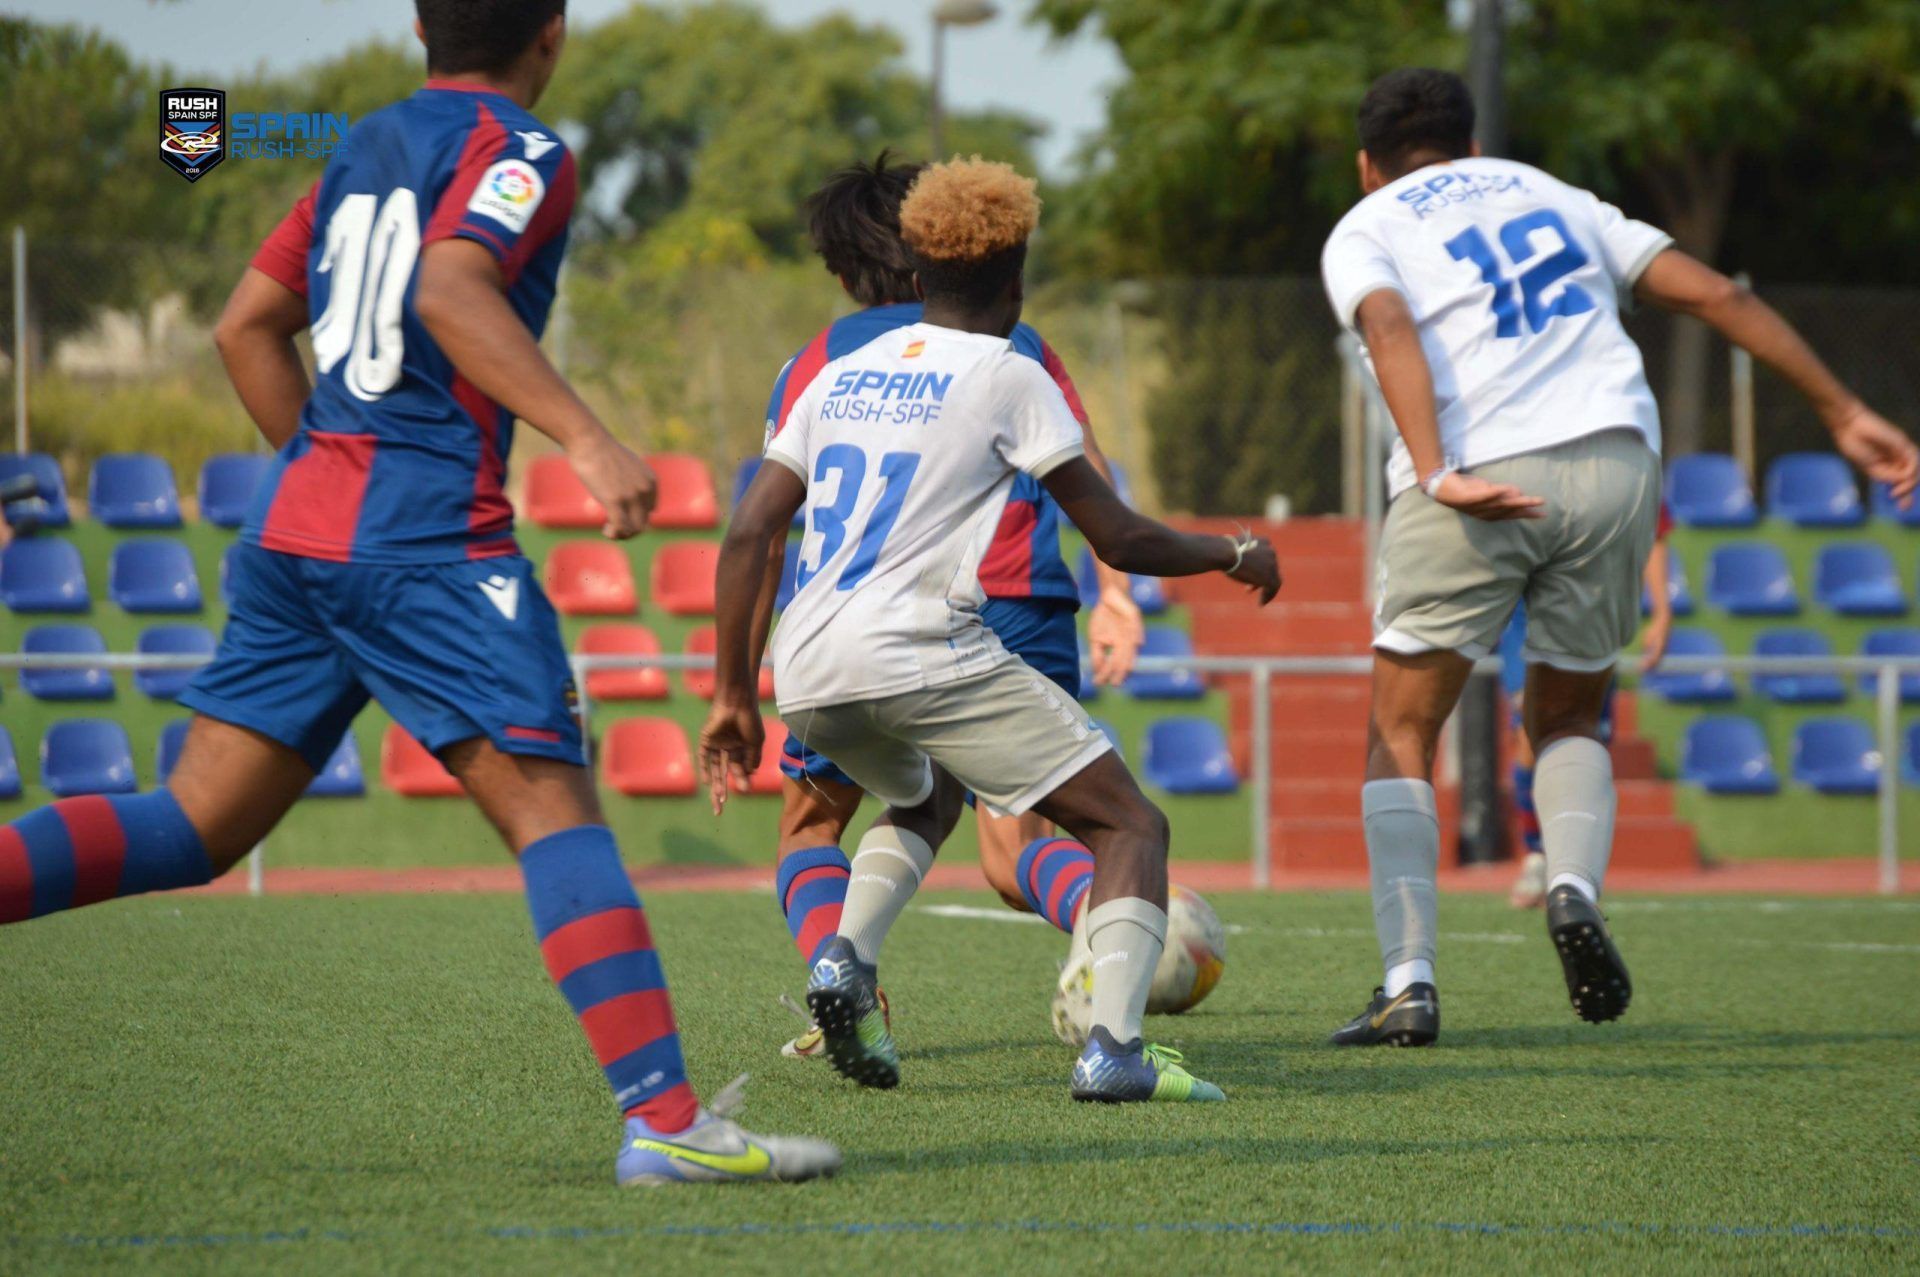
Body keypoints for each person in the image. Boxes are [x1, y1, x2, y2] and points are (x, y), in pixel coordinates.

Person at [0, 0, 838, 1186]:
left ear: (415, 27)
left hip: (302, 537)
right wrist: (588, 439)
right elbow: (451, 287)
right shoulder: (524, 148)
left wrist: (330, 480)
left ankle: (667, 1121)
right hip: (430, 541)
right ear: (551, 34)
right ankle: (666, 1122)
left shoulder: (361, 144)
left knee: (192, 823)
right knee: (555, 814)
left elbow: (246, 326)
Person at [1321, 68, 1919, 1045]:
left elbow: (1388, 326)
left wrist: (1435, 471)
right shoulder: (1548, 192)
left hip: (1478, 467)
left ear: (1365, 165)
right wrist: (1841, 407)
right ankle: (1570, 881)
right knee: (1570, 711)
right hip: (1615, 459)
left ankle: (1409, 980)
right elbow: (1718, 293)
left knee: (1400, 726)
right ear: (1471, 148)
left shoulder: (1367, 225)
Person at [701, 158, 1280, 1102]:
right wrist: (1234, 551)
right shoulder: (1015, 368)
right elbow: (1119, 536)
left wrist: (732, 696)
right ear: (1015, 284)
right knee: (1129, 822)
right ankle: (1115, 1048)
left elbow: (749, 530)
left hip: (808, 663)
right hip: (933, 640)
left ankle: (844, 961)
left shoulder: (835, 371)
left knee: (925, 797)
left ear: (915, 276)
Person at [750, 154, 1149, 1062]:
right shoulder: (1018, 343)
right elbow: (1090, 473)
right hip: (1019, 594)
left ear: (848, 268)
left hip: (858, 618)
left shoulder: (817, 362)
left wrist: (730, 689)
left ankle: (841, 979)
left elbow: (768, 526)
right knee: (1019, 845)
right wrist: (1117, 595)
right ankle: (1116, 932)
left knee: (815, 822)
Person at [1506, 504, 1673, 909]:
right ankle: (1536, 854)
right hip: (1526, 607)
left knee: (1586, 739)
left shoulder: (1618, 449)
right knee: (1528, 722)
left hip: (1594, 602)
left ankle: (1575, 867)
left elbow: (1649, 529)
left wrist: (1662, 611)